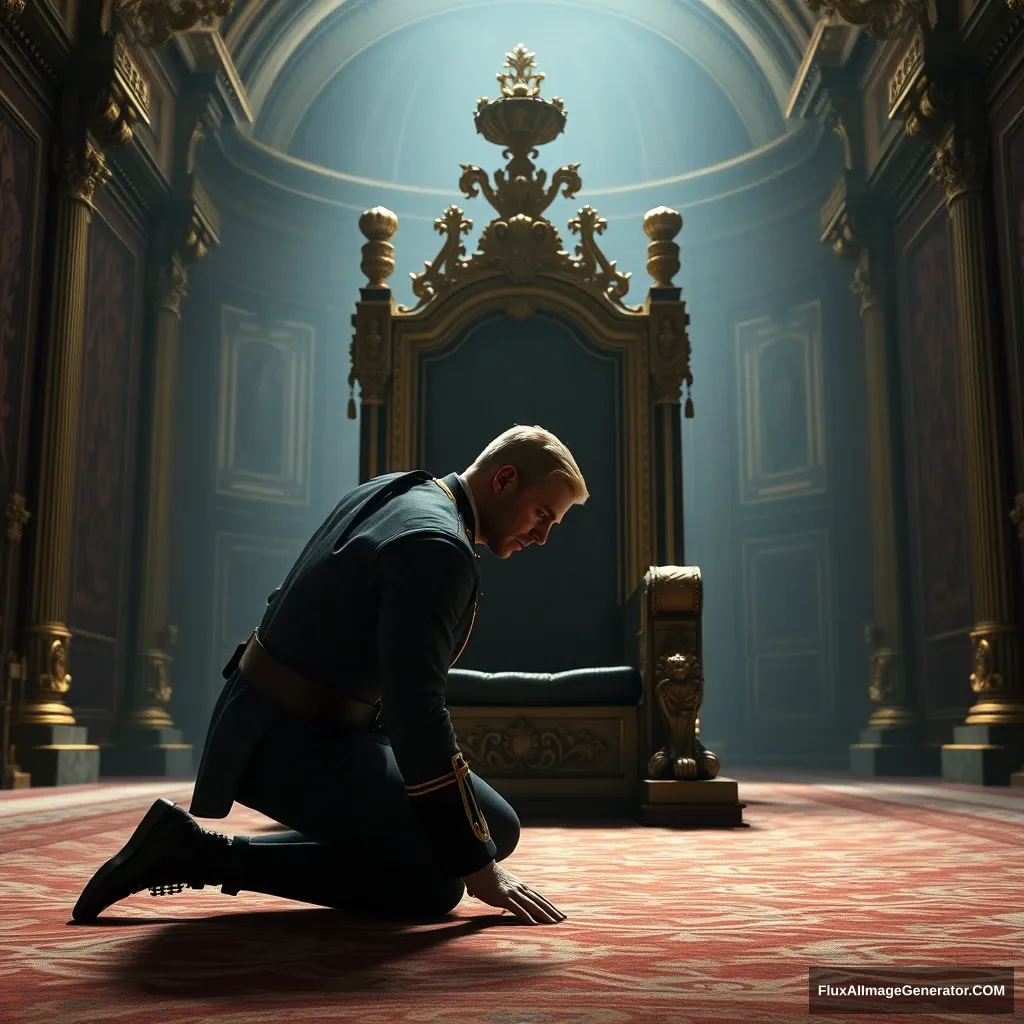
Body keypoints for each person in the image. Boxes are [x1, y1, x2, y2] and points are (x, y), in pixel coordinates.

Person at [73, 425, 588, 926]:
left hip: (275, 720)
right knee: (439, 880)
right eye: (542, 514)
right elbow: (416, 713)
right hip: (286, 747)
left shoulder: (400, 487)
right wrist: (479, 870)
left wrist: (469, 849)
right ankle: (198, 854)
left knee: (493, 829)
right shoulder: (438, 545)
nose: (542, 536)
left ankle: (189, 845)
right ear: (503, 480)